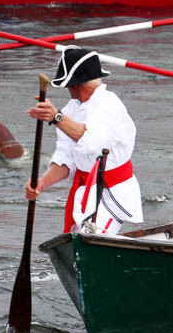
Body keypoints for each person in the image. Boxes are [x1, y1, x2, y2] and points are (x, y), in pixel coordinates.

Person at [25, 47, 143, 235]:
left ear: (75, 84)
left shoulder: (109, 104)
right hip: (84, 193)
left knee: (91, 238)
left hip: (114, 191)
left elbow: (95, 142)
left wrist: (57, 118)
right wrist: (41, 184)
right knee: (76, 239)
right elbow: (67, 159)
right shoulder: (70, 109)